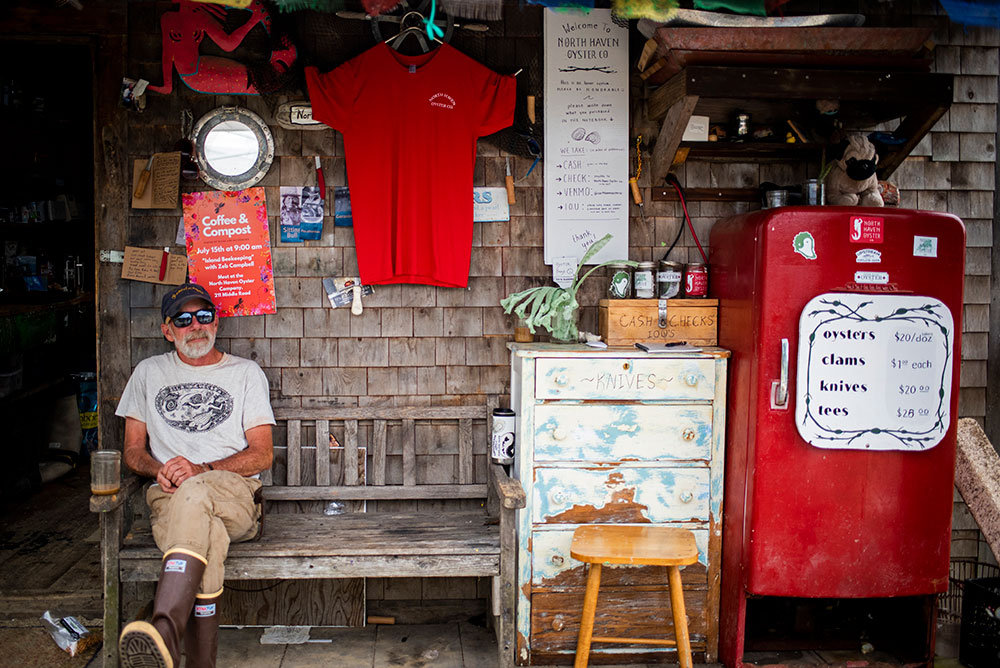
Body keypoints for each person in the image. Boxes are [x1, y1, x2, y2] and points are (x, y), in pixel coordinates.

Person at [115, 283, 275, 668]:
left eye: (204, 316)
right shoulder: (148, 373)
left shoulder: (246, 373)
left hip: (234, 496)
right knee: (208, 532)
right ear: (167, 330)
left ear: (216, 321)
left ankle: (165, 628)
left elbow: (263, 453)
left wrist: (202, 470)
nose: (196, 326)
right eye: (184, 320)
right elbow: (133, 450)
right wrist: (160, 469)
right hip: (169, 499)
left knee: (196, 492)